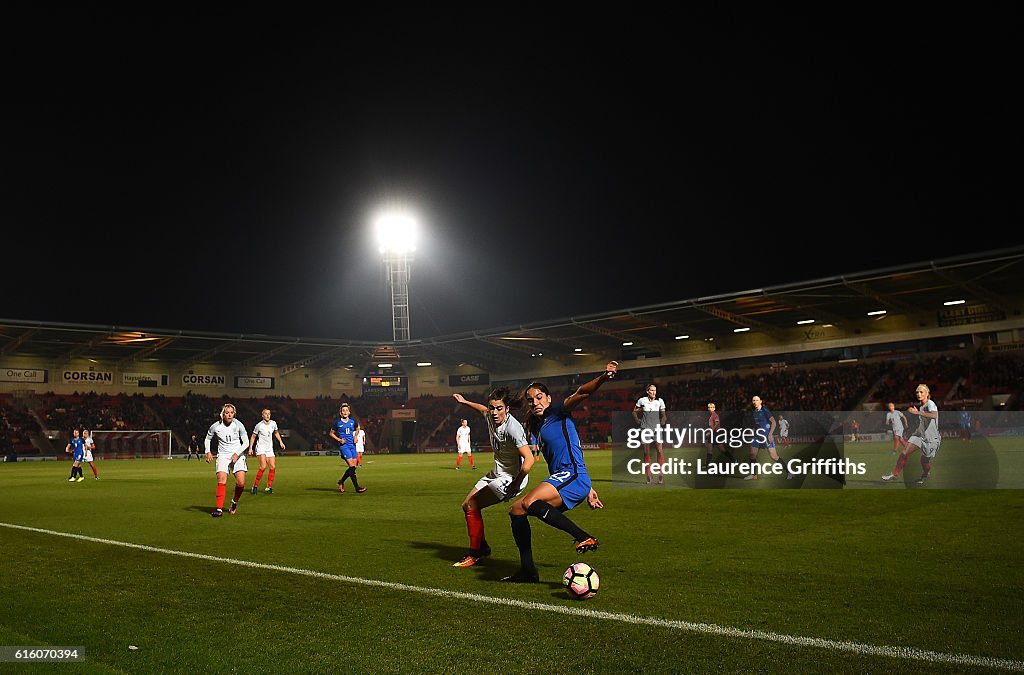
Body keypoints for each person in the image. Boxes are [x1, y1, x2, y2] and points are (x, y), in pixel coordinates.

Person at [502, 361, 616, 583]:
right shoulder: (537, 425)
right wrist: (590, 488)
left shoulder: (559, 411)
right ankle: (528, 571)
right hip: (566, 478)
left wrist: (604, 377)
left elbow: (582, 392)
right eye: (531, 399)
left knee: (531, 501)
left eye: (539, 397)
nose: (535, 402)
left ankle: (583, 537)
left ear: (548, 398)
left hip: (572, 475)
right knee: (517, 510)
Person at [451, 388, 535, 568]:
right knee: (466, 505)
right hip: (497, 473)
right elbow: (481, 409)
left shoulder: (513, 428)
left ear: (507, 409)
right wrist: (465, 402)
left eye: (499, 408)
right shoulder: (489, 414)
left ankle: (475, 553)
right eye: (492, 408)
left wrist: (517, 482)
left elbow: (528, 459)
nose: (494, 412)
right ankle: (482, 547)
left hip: (511, 478)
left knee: (473, 504)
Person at [883, 384, 940, 484]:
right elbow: (923, 423)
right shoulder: (922, 408)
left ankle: (926, 473)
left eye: (921, 392)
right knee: (904, 453)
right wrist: (916, 431)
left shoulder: (930, 403)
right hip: (919, 436)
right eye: (917, 392)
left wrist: (917, 413)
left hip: (931, 439)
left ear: (927, 393)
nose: (919, 394)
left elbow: (934, 415)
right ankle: (895, 474)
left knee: (924, 461)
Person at [204, 403, 249, 517]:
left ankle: (234, 502)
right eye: (227, 413)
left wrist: (237, 453)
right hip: (223, 455)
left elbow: (246, 443)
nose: (229, 415)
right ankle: (219, 509)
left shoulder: (238, 425)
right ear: (222, 414)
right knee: (222, 479)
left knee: (241, 483)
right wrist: (208, 451)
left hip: (237, 454)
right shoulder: (216, 426)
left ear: (234, 414)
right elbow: (208, 438)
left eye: (231, 413)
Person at [633, 384, 667, 485]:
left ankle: (660, 475)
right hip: (645, 429)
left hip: (656, 429)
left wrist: (664, 419)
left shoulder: (660, 401)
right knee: (646, 452)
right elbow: (634, 411)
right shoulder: (642, 401)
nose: (653, 392)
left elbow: (664, 415)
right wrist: (637, 419)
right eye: (651, 390)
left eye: (655, 390)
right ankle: (649, 476)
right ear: (647, 391)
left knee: (660, 451)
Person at [331, 403, 366, 493]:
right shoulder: (337, 423)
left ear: (349, 412)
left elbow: (357, 428)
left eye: (346, 410)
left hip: (352, 446)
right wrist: (339, 440)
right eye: (343, 410)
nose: (345, 412)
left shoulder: (352, 421)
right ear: (340, 413)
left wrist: (356, 436)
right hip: (344, 446)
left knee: (353, 467)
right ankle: (357, 487)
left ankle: (341, 481)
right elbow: (331, 433)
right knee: (351, 466)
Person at [744, 395, 781, 480]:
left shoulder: (765, 410)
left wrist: (770, 434)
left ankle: (789, 472)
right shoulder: (754, 412)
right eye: (753, 400)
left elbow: (774, 423)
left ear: (761, 401)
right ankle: (754, 475)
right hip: (757, 436)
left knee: (774, 456)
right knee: (752, 454)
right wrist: (752, 430)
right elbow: (757, 425)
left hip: (766, 436)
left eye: (756, 400)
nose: (755, 402)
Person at [249, 408, 285, 495]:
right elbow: (253, 436)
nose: (268, 415)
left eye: (269, 413)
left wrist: (281, 442)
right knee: (263, 467)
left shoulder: (273, 423)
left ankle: (269, 487)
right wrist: (250, 448)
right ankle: (255, 486)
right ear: (262, 415)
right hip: (261, 448)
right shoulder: (259, 425)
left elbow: (276, 432)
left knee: (272, 467)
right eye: (265, 414)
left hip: (269, 448)